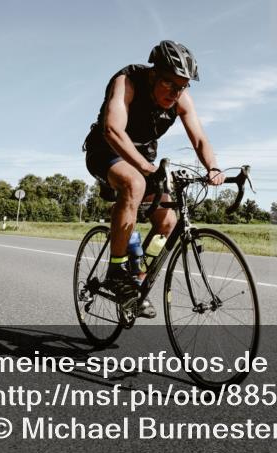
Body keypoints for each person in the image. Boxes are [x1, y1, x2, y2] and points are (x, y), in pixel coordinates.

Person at [83, 40, 226, 318]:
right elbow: (112, 130)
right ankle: (116, 268)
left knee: (168, 221)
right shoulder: (128, 81)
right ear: (153, 74)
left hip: (143, 158)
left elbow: (198, 137)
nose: (176, 92)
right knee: (133, 183)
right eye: (170, 84)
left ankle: (136, 279)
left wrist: (212, 167)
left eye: (183, 86)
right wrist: (146, 169)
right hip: (106, 150)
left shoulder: (181, 98)